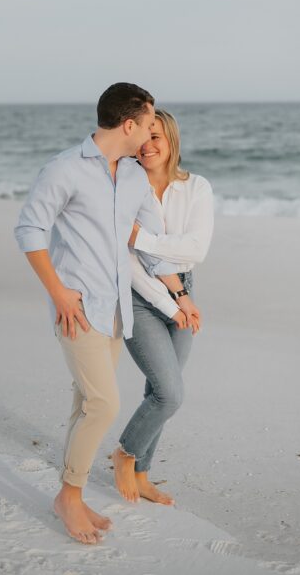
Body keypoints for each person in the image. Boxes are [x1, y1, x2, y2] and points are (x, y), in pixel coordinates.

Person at [14, 82, 184, 544]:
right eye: (149, 122)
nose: (153, 130)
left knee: (84, 402)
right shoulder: (64, 169)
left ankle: (73, 492)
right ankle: (68, 496)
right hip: (78, 309)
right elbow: (29, 230)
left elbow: (147, 242)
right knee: (104, 405)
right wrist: (60, 293)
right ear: (128, 124)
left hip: (117, 310)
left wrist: (180, 294)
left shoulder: (132, 176)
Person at [110, 109, 215, 505]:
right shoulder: (124, 186)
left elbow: (196, 249)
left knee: (158, 389)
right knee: (170, 395)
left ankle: (141, 474)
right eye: (144, 138)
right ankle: (125, 453)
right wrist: (173, 303)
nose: (149, 145)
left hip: (184, 288)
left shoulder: (197, 188)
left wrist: (145, 238)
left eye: (158, 137)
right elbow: (131, 263)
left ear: (172, 140)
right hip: (140, 295)